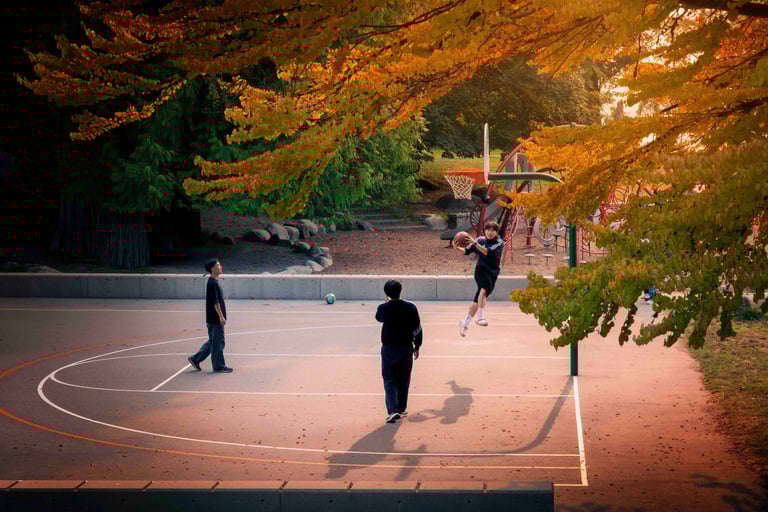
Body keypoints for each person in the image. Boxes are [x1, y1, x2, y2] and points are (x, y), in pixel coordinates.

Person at [375, 280, 423, 424]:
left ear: (386, 293)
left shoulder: (383, 308)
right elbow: (417, 328)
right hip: (406, 348)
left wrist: (386, 303)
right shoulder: (410, 307)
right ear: (400, 290)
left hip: (389, 348)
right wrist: (417, 345)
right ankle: (402, 408)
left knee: (389, 379)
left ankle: (393, 410)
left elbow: (378, 318)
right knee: (404, 378)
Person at [454, 220, 504, 336]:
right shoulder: (479, 240)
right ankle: (480, 318)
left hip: (492, 273)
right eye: (488, 230)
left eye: (493, 230)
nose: (490, 232)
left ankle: (465, 322)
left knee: (478, 298)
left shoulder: (499, 242)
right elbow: (467, 251)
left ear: (496, 232)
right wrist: (456, 248)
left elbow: (487, 252)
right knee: (483, 290)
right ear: (484, 230)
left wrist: (474, 242)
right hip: (481, 271)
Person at [188, 258, 233, 373]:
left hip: (213, 318)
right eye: (218, 265)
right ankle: (218, 366)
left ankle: (195, 359)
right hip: (215, 319)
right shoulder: (212, 283)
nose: (221, 266)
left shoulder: (213, 282)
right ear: (212, 268)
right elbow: (215, 302)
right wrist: (221, 316)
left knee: (213, 341)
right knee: (218, 342)